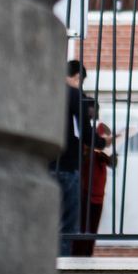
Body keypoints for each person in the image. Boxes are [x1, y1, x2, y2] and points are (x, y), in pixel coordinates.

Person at [52, 60, 92, 257]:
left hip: (43, 165)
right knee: (68, 224)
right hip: (68, 166)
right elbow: (86, 133)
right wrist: (105, 142)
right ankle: (61, 266)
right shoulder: (74, 95)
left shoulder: (45, 92)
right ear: (77, 77)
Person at [72, 119, 116, 258]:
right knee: (81, 233)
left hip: (98, 196)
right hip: (85, 194)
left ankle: (87, 257)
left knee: (91, 234)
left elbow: (114, 163)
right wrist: (92, 150)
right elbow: (82, 160)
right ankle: (76, 258)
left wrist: (108, 153)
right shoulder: (86, 146)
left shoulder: (104, 151)